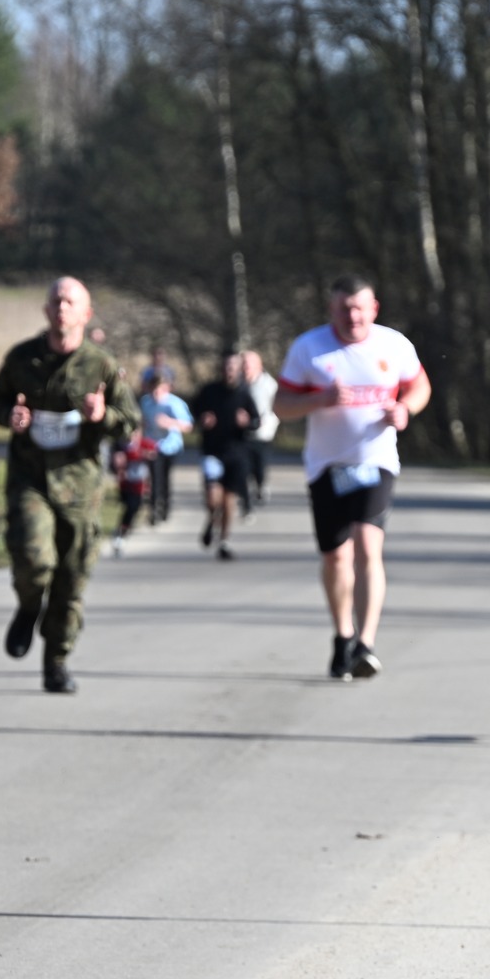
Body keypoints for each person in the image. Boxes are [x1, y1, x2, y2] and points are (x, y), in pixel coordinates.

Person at [273, 274, 430, 680]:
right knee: (336, 556)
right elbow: (280, 405)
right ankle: (342, 634)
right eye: (344, 308)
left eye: (360, 307)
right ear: (332, 310)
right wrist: (318, 399)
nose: (352, 316)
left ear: (374, 309)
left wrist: (406, 410)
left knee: (366, 545)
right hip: (326, 466)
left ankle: (366, 643)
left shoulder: (393, 344)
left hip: (376, 461)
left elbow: (420, 386)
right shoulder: (309, 348)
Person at [0, 277, 140, 693]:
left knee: (71, 580)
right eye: (55, 301)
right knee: (33, 557)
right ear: (46, 310)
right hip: (30, 479)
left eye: (70, 302)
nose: (62, 308)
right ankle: (26, 606)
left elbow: (130, 423)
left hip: (81, 488)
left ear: (85, 313)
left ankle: (56, 660)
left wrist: (102, 416)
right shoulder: (22, 359)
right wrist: (10, 417)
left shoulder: (101, 366)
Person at [191, 353, 260, 560]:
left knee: (229, 501)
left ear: (239, 369)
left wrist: (247, 422)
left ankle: (224, 541)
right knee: (213, 495)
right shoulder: (208, 391)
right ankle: (212, 517)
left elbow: (257, 421)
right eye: (226, 366)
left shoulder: (245, 393)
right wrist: (202, 420)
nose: (229, 370)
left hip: (237, 453)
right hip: (212, 451)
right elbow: (192, 413)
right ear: (221, 368)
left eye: (233, 367)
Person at [139, 373, 193, 523]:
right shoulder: (146, 402)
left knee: (164, 478)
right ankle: (154, 509)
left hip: (170, 446)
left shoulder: (174, 404)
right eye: (154, 390)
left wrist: (169, 422)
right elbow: (142, 422)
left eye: (161, 390)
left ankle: (166, 506)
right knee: (154, 477)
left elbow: (187, 426)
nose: (157, 394)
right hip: (152, 446)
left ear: (167, 389)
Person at [241, 349, 280, 510]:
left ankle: (260, 485)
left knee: (259, 466)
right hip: (241, 434)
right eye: (243, 364)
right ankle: (245, 495)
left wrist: (266, 423)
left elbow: (276, 408)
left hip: (262, 434)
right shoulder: (238, 384)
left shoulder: (268, 385)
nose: (245, 368)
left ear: (258, 365)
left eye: (248, 364)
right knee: (243, 466)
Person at [111, 434, 160, 556]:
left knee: (134, 508)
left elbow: (154, 453)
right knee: (128, 507)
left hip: (139, 484)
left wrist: (142, 454)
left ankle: (122, 532)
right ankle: (120, 532)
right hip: (126, 483)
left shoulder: (145, 443)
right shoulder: (121, 445)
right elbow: (116, 460)